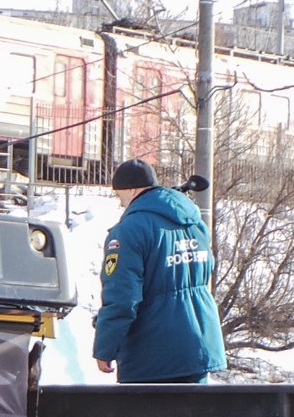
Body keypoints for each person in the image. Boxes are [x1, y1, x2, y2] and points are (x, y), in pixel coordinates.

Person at [93, 158, 227, 384]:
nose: (122, 204)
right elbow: (207, 272)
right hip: (200, 346)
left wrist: (105, 348)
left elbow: (122, 297)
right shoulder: (195, 223)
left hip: (154, 355)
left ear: (132, 190)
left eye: (120, 196)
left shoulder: (128, 231)